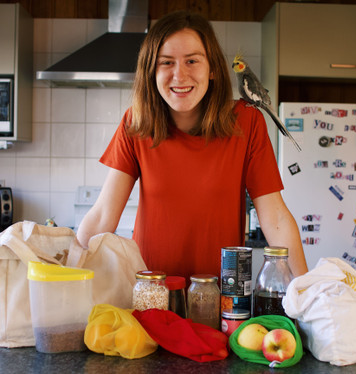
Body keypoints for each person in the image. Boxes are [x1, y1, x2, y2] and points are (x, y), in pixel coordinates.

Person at [77, 11, 308, 281]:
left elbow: (276, 218)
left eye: (192, 61)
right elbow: (104, 215)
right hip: (150, 291)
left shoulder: (247, 122)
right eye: (166, 62)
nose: (179, 75)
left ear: (212, 69)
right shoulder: (136, 123)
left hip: (222, 296)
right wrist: (66, 271)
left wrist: (306, 292)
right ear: (151, 70)